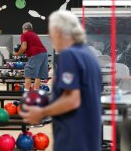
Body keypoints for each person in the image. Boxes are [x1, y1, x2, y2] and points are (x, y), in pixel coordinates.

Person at [20, 11, 102, 151]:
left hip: (73, 138)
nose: (50, 37)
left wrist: (41, 112)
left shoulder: (70, 55)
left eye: (51, 32)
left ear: (59, 31)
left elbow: (72, 100)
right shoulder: (88, 54)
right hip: (90, 137)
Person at [14, 22, 48, 91]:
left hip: (36, 54)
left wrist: (17, 54)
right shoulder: (34, 34)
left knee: (28, 73)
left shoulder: (24, 35)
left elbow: (23, 47)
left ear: (24, 29)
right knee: (38, 75)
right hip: (44, 53)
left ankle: (26, 93)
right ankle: (36, 93)